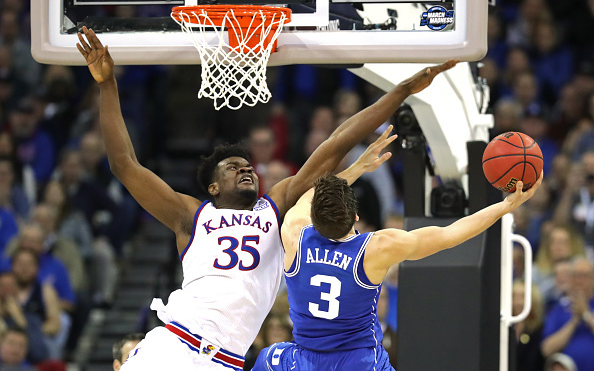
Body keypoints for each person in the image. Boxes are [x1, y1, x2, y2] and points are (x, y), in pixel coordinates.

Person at [76, 25, 457, 371]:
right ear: (212, 187)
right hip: (173, 346)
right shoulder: (190, 215)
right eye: (233, 167)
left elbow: (334, 145)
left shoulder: (276, 207)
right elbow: (125, 165)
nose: (246, 170)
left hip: (225, 362)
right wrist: (107, 84)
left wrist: (402, 91)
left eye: (248, 165)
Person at [252, 132, 542, 370]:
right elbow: (450, 235)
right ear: (356, 217)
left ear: (314, 217)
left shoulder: (294, 233)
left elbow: (307, 195)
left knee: (266, 358)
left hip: (305, 360)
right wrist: (506, 206)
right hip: (358, 362)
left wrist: (356, 168)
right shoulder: (376, 248)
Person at [541, 256, 594, 371]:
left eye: (585, 276)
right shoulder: (559, 309)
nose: (580, 280)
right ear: (570, 279)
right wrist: (575, 320)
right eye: (575, 275)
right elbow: (547, 349)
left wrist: (586, 314)